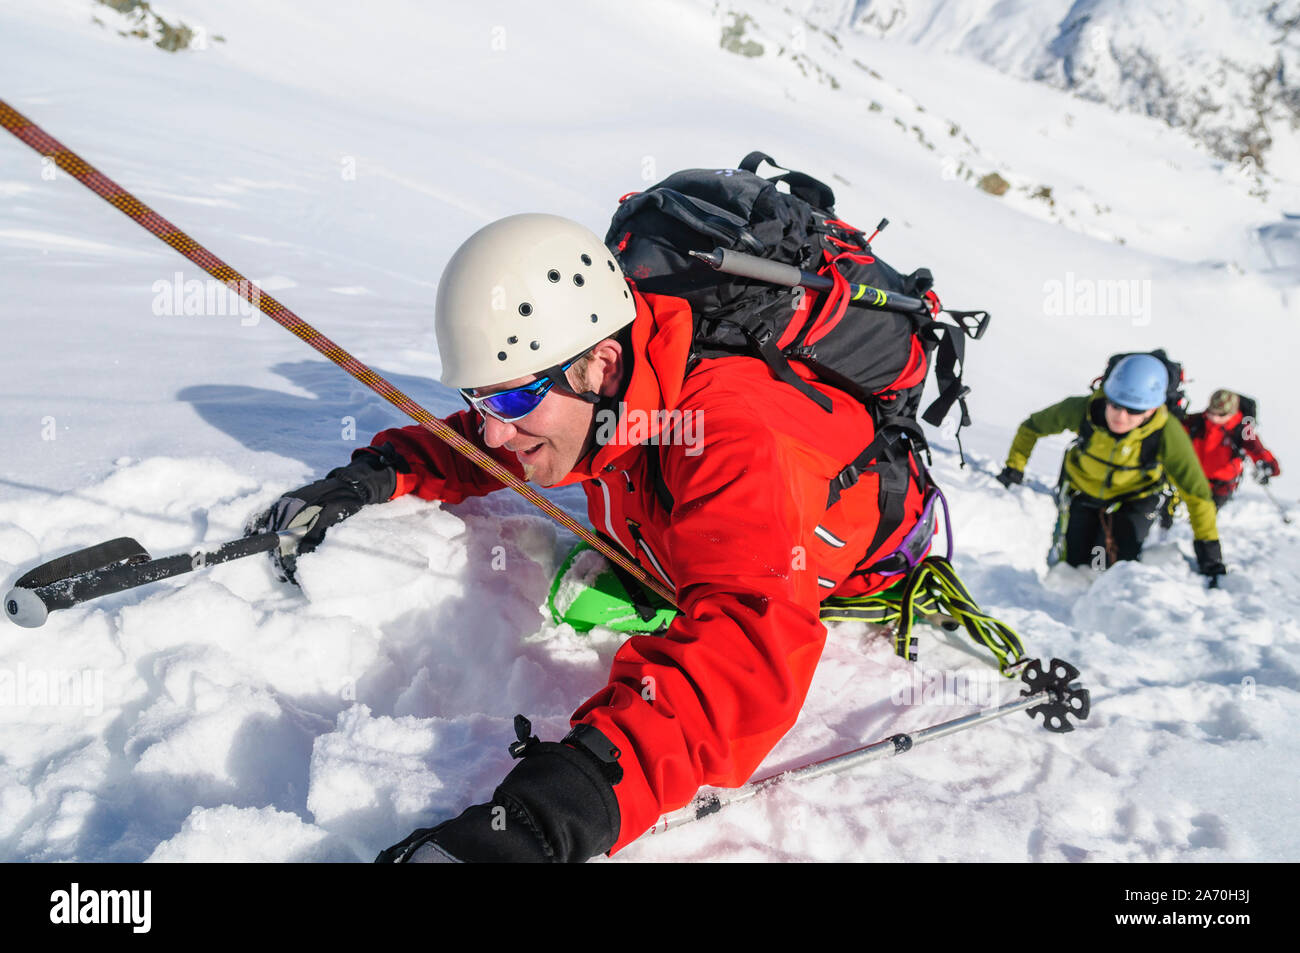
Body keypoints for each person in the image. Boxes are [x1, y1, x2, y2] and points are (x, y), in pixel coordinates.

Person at [250, 213, 935, 862]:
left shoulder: (727, 435)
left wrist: (548, 816)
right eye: (479, 402)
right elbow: (492, 439)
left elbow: (746, 655)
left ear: (603, 365)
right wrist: (378, 472)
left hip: (864, 554)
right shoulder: (612, 386)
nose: (494, 432)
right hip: (680, 534)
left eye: (513, 401)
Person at [995, 354, 1225, 578]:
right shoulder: (1084, 409)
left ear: (1152, 409)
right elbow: (1032, 427)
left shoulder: (1167, 432)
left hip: (1134, 499)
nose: (1121, 417)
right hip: (1083, 491)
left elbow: (1196, 493)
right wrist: (1014, 468)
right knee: (1074, 564)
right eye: (1115, 405)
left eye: (1134, 410)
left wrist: (1209, 551)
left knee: (1114, 567)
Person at [1183, 389, 1281, 508]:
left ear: (1232, 413)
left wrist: (1267, 464)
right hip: (1193, 479)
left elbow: (1255, 447)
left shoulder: (1242, 429)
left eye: (1221, 414)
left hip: (1222, 485)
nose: (1214, 417)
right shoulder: (1197, 422)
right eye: (1211, 412)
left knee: (1206, 514)